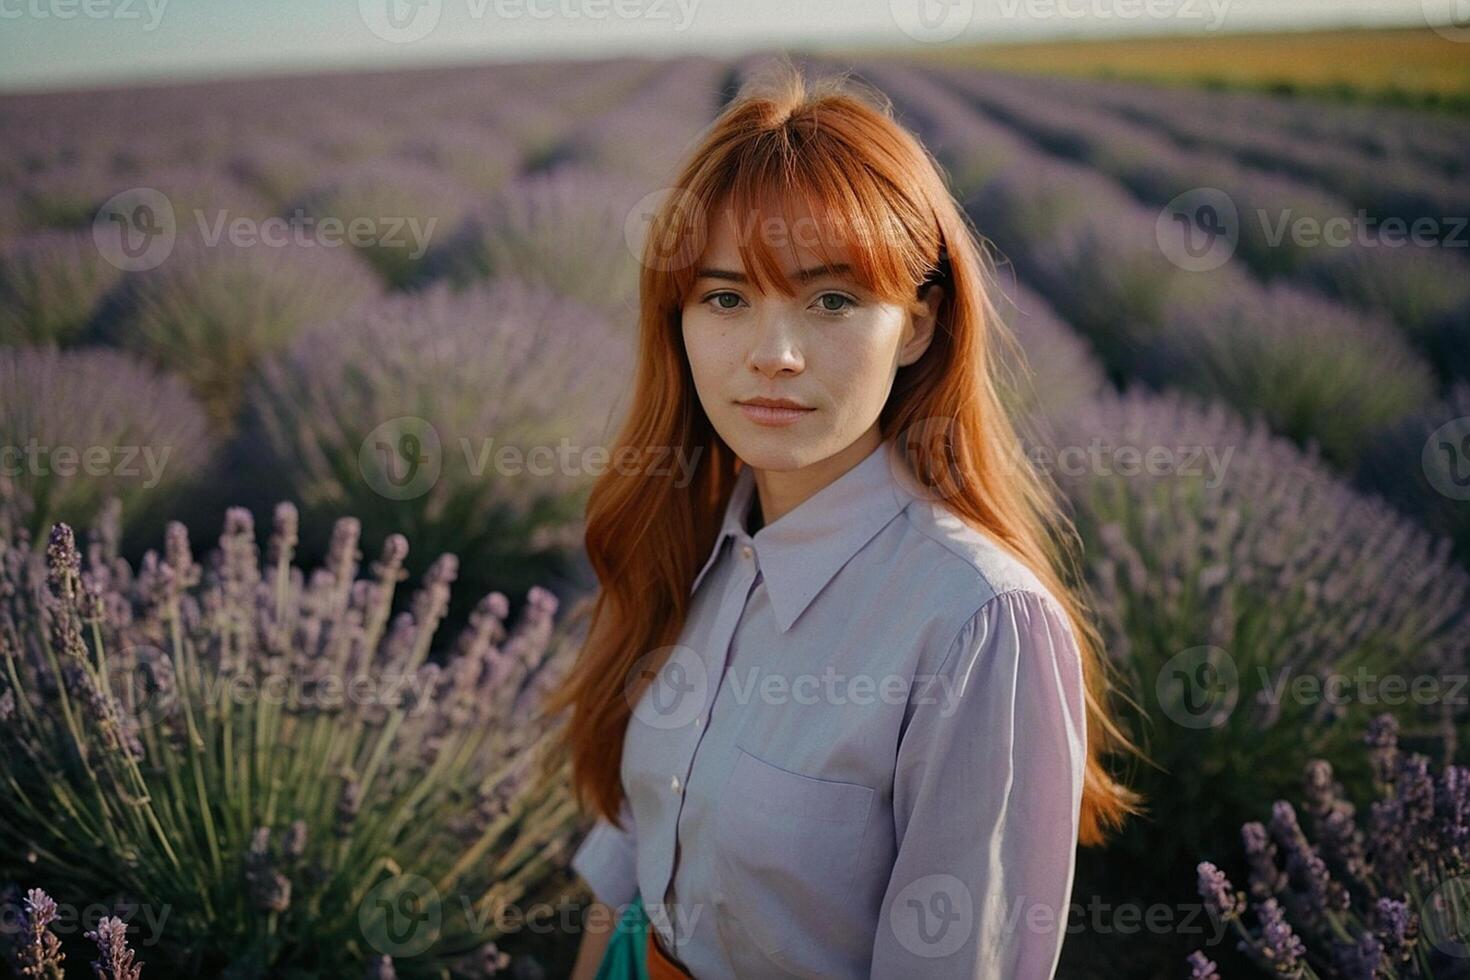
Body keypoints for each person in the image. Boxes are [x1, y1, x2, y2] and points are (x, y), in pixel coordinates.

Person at [539, 56, 1145, 980]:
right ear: (680, 319)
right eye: (728, 298)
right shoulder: (698, 536)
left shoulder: (979, 626)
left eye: (832, 300)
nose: (773, 355)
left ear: (918, 324)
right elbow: (637, 841)